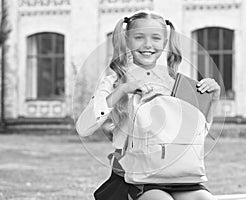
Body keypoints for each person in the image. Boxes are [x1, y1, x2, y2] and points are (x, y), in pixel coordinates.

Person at [76, 10, 220, 200]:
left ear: (165, 42)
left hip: (179, 173)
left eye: (156, 38)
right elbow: (83, 128)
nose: (148, 45)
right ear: (127, 40)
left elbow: (198, 133)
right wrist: (122, 90)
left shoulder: (177, 81)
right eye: (139, 37)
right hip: (136, 177)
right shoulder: (113, 81)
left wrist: (212, 99)